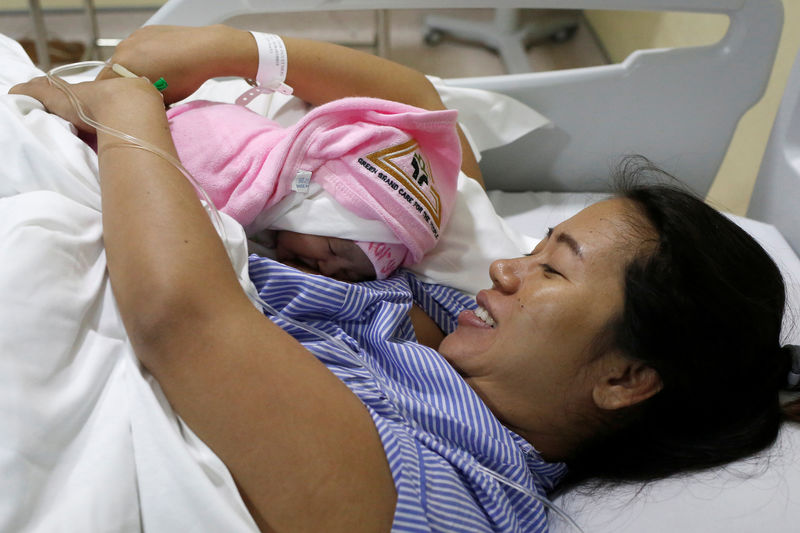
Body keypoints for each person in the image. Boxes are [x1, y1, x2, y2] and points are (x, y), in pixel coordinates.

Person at [11, 24, 799, 532]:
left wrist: (125, 105)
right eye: (541, 244)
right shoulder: (452, 315)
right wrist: (226, 51)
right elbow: (424, 109)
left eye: (552, 267)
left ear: (626, 377)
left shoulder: (448, 489)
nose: (505, 264)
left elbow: (182, 317)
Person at [165, 91, 462, 281]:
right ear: (308, 206)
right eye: (334, 247)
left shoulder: (276, 229)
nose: (328, 269)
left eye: (348, 275)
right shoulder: (235, 171)